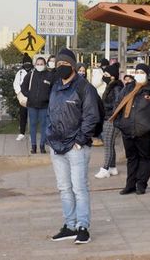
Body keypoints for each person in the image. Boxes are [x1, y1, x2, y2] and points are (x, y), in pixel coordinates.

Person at [47, 48, 101, 244]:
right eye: (58, 64)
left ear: (74, 65)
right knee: (64, 188)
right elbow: (50, 113)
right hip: (56, 145)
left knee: (79, 188)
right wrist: (49, 136)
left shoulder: (84, 87)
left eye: (66, 64)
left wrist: (79, 140)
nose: (62, 67)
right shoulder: (55, 86)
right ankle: (69, 225)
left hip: (76, 147)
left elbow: (91, 116)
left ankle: (83, 227)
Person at [110, 63, 150, 195]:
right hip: (128, 129)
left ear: (147, 74)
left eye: (142, 72)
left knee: (144, 157)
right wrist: (120, 123)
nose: (139, 74)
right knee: (131, 158)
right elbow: (118, 104)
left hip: (146, 131)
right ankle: (130, 184)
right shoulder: (128, 88)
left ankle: (141, 184)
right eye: (137, 72)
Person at [94, 63, 123, 179]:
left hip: (111, 119)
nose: (103, 76)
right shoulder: (110, 86)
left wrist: (107, 111)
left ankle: (105, 168)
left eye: (105, 74)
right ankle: (112, 167)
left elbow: (117, 105)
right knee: (109, 144)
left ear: (112, 76)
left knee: (107, 144)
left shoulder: (116, 88)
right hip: (108, 118)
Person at [21, 57, 53, 154]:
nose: (39, 65)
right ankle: (33, 146)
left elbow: (53, 89)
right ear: (35, 65)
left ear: (45, 64)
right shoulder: (30, 75)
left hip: (45, 106)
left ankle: (42, 146)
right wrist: (29, 95)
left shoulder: (49, 75)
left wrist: (48, 98)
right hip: (32, 105)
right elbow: (23, 87)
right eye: (38, 64)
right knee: (33, 125)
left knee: (44, 126)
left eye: (41, 64)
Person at [13, 53, 33, 141]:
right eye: (26, 63)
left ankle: (32, 134)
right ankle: (22, 133)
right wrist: (19, 94)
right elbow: (16, 84)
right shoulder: (20, 73)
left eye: (29, 63)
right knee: (23, 115)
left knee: (33, 116)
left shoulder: (35, 71)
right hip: (23, 97)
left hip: (33, 97)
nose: (27, 64)